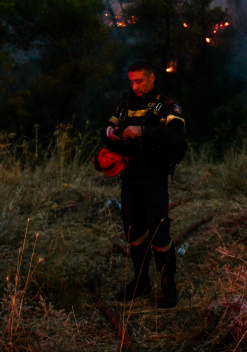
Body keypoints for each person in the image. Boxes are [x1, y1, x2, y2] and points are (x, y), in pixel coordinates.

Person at [101, 60, 186, 308]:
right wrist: (111, 133)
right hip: (129, 177)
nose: (134, 86)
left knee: (159, 233)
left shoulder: (168, 106)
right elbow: (106, 127)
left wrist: (144, 131)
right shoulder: (125, 106)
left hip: (154, 177)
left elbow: (177, 136)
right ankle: (140, 280)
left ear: (151, 78)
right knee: (133, 232)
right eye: (131, 81)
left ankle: (168, 285)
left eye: (139, 81)